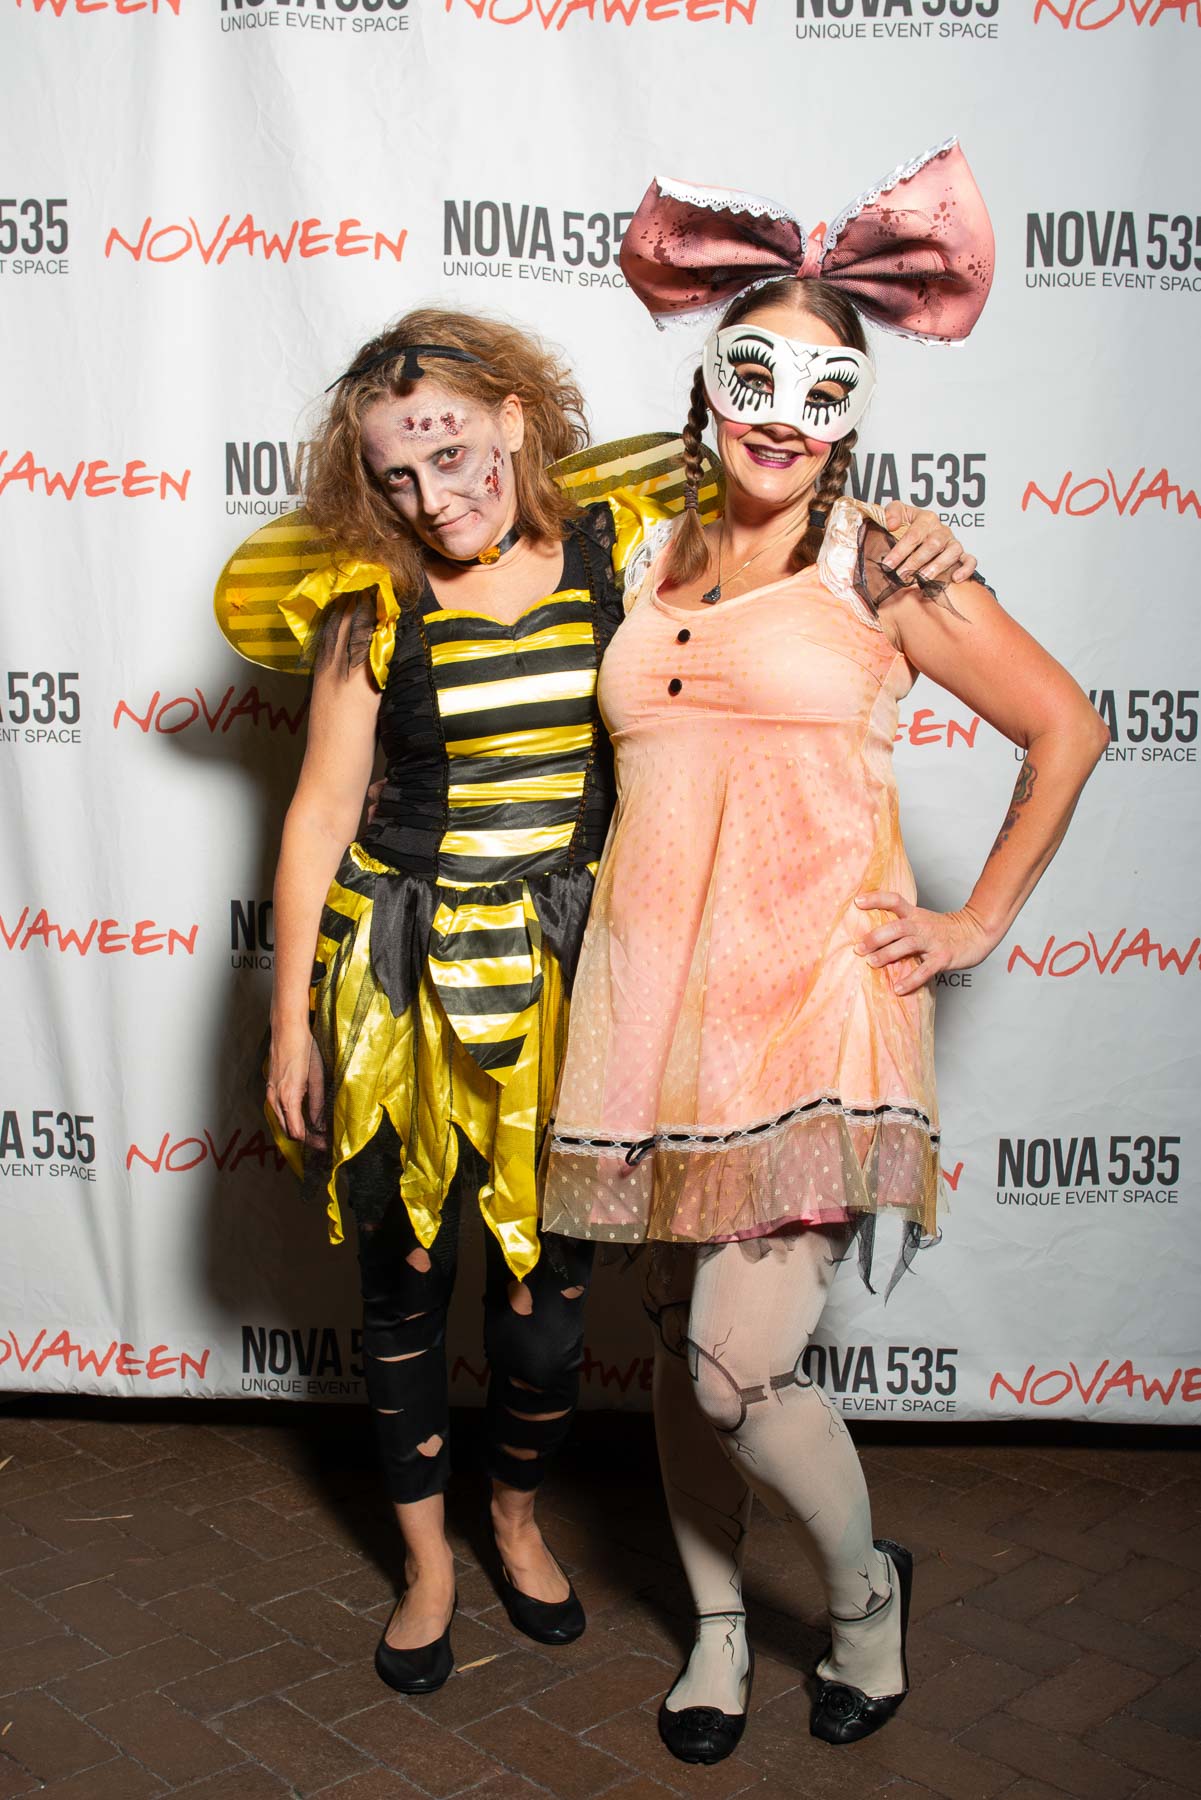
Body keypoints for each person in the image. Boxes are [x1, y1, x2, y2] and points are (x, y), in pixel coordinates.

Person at [214, 304, 974, 1698]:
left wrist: (906, 530)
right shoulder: (367, 606)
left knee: (545, 1308)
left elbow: (780, 521)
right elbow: (319, 813)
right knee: (402, 1287)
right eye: (396, 474)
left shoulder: (625, 557)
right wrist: (286, 1027)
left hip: (577, 984)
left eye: (453, 453)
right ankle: (428, 1565)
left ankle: (514, 1520)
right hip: (400, 991)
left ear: (515, 421)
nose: (433, 496)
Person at [540, 141, 1109, 1764]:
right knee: (676, 1351)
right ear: (708, 389)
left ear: (851, 413)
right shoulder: (636, 559)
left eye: (821, 390)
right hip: (650, 1008)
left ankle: (862, 1600)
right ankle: (717, 1631)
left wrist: (973, 920)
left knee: (736, 1368)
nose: (782, 417)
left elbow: (1063, 726)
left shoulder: (884, 559)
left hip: (807, 1007)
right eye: (754, 379)